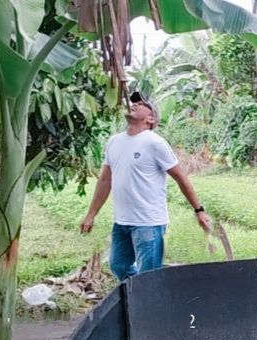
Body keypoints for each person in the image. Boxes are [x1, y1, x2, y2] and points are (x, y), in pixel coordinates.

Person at [80, 91, 211, 280]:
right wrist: (91, 214)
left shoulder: (155, 143)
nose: (134, 105)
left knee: (149, 274)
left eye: (141, 104)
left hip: (148, 222)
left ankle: (150, 302)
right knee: (118, 265)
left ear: (151, 118)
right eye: (134, 102)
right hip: (122, 221)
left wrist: (199, 210)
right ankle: (139, 296)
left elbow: (181, 177)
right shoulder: (114, 142)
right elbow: (104, 180)